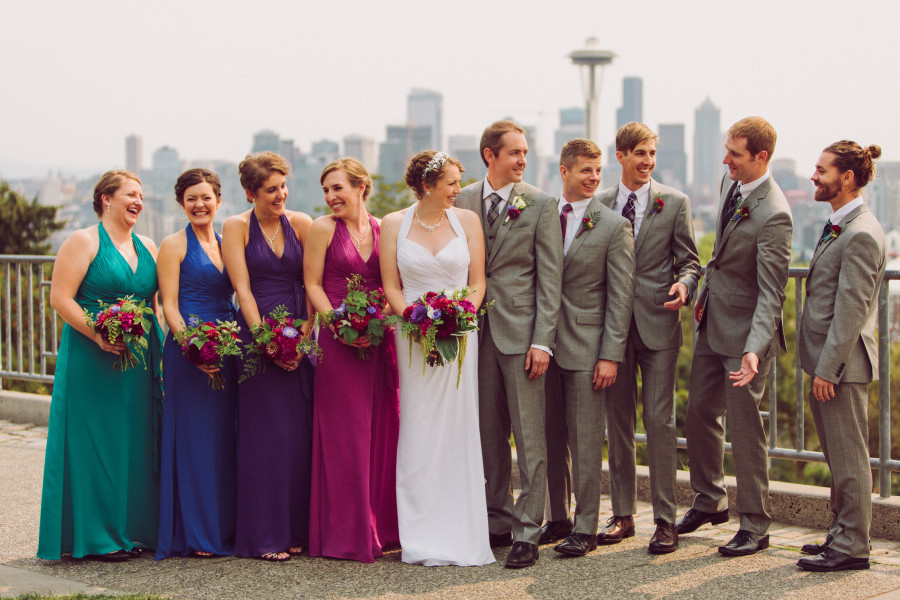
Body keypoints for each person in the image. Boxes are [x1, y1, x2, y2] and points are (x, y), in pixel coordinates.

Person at [677, 117, 793, 557]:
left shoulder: (776, 213)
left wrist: (753, 351)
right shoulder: (734, 186)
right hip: (711, 322)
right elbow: (720, 257)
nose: (725, 160)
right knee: (699, 414)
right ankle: (709, 500)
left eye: (735, 154)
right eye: (725, 150)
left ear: (760, 157)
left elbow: (771, 293)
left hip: (746, 339)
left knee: (746, 432)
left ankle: (756, 525)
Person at [38, 170, 163, 562]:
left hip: (139, 361)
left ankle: (136, 530)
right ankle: (97, 536)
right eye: (131, 194)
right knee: (96, 443)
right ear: (106, 198)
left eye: (141, 195)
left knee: (136, 441)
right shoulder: (83, 241)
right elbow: (61, 298)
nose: (139, 202)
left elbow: (155, 306)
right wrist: (97, 333)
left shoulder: (148, 244)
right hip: (92, 357)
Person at [455, 120, 563, 569]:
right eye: (515, 153)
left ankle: (528, 530)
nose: (523, 160)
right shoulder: (459, 200)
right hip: (474, 335)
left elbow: (550, 279)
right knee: (487, 433)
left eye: (525, 153)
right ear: (489, 155)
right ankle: (496, 519)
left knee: (529, 434)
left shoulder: (540, 203)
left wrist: (543, 341)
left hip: (523, 338)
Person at [380, 150, 494, 566]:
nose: (458, 190)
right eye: (451, 183)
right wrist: (413, 320)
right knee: (418, 426)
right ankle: (420, 534)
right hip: (411, 335)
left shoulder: (467, 221)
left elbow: (477, 282)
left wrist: (459, 317)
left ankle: (461, 530)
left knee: (458, 428)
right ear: (428, 185)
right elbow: (391, 286)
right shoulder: (394, 224)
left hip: (460, 336)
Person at [595, 123, 700, 554]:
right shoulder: (597, 205)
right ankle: (622, 514)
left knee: (659, 422)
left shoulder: (675, 202)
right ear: (620, 156)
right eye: (640, 153)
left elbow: (691, 262)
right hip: (612, 332)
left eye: (653, 153)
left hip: (659, 325)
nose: (648, 161)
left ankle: (665, 519)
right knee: (617, 424)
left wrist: (685, 285)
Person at [304, 158, 400, 563]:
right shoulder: (323, 228)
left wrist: (380, 323)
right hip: (337, 342)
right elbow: (311, 283)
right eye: (326, 190)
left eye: (338, 188)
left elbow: (391, 282)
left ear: (362, 187)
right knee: (347, 437)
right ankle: (346, 532)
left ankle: (384, 527)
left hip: (378, 340)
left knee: (381, 432)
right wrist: (338, 324)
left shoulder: (383, 229)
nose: (330, 197)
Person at [543, 139, 634, 558]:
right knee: (550, 437)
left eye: (598, 172)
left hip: (588, 347)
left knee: (584, 441)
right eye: (586, 171)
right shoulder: (543, 215)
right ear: (564, 171)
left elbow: (620, 297)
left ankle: (586, 528)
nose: (594, 178)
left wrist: (610, 355)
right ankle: (558, 517)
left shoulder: (614, 226)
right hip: (544, 346)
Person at [796, 141, 885, 573]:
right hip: (827, 363)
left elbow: (850, 313)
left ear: (846, 177)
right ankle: (841, 531)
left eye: (821, 169)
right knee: (837, 455)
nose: (814, 176)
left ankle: (853, 546)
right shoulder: (840, 225)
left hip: (843, 367)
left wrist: (828, 369)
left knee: (850, 458)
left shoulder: (862, 233)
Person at [222, 151, 314, 562]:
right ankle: (264, 536)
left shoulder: (302, 224)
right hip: (257, 337)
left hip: (300, 333)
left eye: (283, 187)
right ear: (250, 192)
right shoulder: (236, 227)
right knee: (265, 439)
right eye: (270, 190)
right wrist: (267, 343)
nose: (281, 195)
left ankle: (295, 529)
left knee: (298, 437)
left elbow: (311, 283)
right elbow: (242, 290)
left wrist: (306, 335)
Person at [155, 168, 237, 559]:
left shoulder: (228, 244)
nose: (199, 205)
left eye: (206, 197)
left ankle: (224, 527)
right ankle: (198, 533)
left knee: (224, 438)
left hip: (229, 347)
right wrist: (191, 348)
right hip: (190, 351)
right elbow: (168, 303)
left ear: (219, 201)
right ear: (182, 204)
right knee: (196, 440)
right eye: (191, 199)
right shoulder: (173, 244)